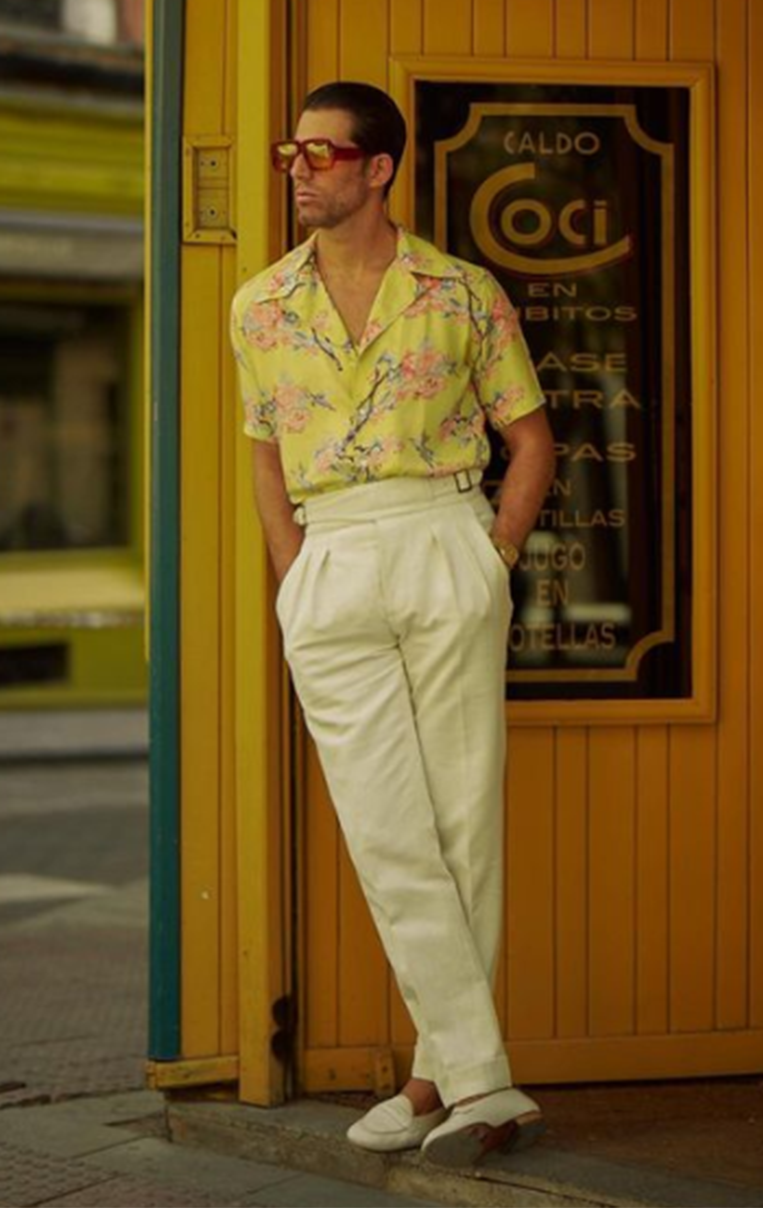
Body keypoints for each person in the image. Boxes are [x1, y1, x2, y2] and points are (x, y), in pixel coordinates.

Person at [229, 80, 556, 1168]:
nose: (299, 169)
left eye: (321, 154)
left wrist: (492, 557)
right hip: (332, 556)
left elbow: (532, 439)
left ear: (378, 169)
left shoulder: (463, 292)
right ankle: (482, 1081)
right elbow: (266, 457)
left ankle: (433, 1080)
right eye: (292, 153)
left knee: (464, 822)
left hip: (440, 537)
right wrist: (294, 579)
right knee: (385, 830)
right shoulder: (259, 305)